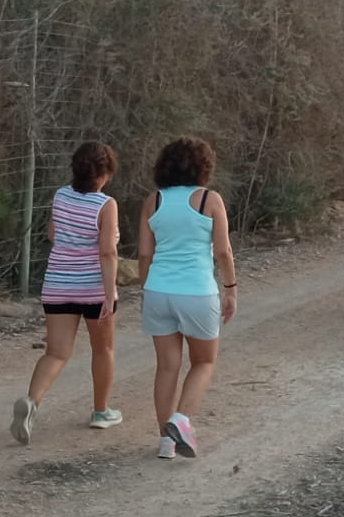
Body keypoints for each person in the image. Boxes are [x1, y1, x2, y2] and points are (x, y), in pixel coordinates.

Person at [12, 143, 122, 446]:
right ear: (103, 174)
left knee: (56, 352)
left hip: (58, 284)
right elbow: (108, 252)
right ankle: (101, 412)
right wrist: (110, 293)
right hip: (93, 288)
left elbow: (52, 234)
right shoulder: (106, 205)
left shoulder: (61, 195)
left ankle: (31, 402)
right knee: (104, 350)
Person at [137, 137, 238, 459]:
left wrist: (146, 287)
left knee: (166, 366)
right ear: (203, 167)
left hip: (157, 290)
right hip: (196, 291)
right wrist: (231, 287)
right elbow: (222, 250)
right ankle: (181, 420)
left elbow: (143, 254)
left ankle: (165, 441)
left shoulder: (152, 201)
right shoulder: (210, 199)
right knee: (204, 361)